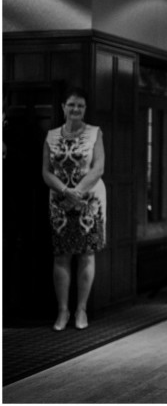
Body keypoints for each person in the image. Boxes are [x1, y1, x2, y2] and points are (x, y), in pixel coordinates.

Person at [41, 87, 106, 331]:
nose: (76, 109)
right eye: (71, 105)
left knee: (86, 254)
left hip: (88, 200)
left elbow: (98, 167)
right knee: (61, 255)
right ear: (63, 108)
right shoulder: (51, 135)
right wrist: (65, 191)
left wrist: (77, 191)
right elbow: (46, 170)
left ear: (85, 109)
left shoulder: (94, 133)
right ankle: (62, 311)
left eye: (80, 105)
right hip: (59, 199)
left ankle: (81, 309)